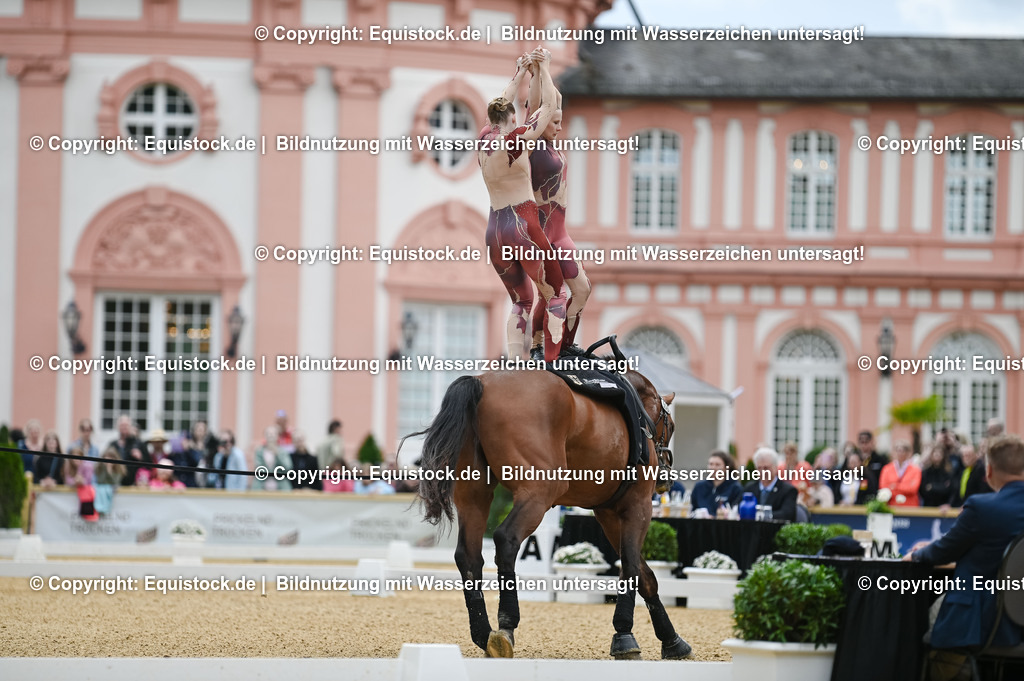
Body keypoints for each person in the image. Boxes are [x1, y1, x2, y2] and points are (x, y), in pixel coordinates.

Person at [480, 47, 567, 362]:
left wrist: (519, 73)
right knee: (556, 294)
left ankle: (516, 363)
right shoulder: (516, 139)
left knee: (521, 301)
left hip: (494, 230)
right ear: (512, 119)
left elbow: (501, 103)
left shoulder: (484, 139)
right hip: (522, 224)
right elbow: (548, 106)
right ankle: (552, 363)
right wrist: (544, 68)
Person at [906, 434, 1024, 650]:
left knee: (920, 625)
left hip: (980, 624)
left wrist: (915, 555)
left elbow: (943, 552)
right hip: (1015, 627)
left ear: (989, 472)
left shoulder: (981, 507)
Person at [524, 53, 590, 356]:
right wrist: (543, 69)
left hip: (560, 231)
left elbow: (555, 99)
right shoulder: (533, 143)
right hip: (541, 231)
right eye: (555, 122)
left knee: (582, 290)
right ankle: (539, 344)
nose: (559, 128)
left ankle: (566, 345)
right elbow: (539, 105)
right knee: (551, 294)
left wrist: (540, 70)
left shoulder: (550, 146)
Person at [742, 447, 798, 521]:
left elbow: (786, 514)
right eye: (759, 468)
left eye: (766, 468)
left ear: (776, 468)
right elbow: (736, 507)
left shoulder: (788, 490)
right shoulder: (749, 488)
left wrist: (759, 515)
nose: (762, 471)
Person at [690, 450, 743, 515]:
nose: (713, 468)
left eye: (717, 465)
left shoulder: (735, 488)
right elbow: (691, 511)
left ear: (726, 468)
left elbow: (736, 513)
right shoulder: (699, 487)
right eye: (711, 464)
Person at [878, 440, 921, 506]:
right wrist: (903, 487)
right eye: (898, 450)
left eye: (903, 451)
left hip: (910, 506)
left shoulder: (915, 470)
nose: (900, 453)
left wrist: (894, 486)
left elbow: (912, 489)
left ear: (908, 453)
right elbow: (883, 487)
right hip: (892, 505)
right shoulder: (886, 469)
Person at [107, 414, 145, 486]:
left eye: (126, 425)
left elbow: (149, 464)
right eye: (122, 425)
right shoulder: (112, 445)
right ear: (118, 427)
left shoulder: (138, 444)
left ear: (130, 427)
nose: (124, 427)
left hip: (134, 485)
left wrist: (141, 458)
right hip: (115, 484)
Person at [951, 443, 992, 508]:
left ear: (976, 455)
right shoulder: (963, 471)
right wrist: (950, 504)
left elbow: (982, 492)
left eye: (968, 455)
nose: (966, 458)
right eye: (964, 456)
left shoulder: (981, 470)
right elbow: (957, 492)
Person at [253, 425, 291, 491]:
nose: (271, 436)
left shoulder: (283, 451)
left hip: (281, 487)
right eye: (268, 433)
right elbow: (258, 469)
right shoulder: (259, 451)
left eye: (273, 433)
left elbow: (288, 468)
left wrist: (277, 455)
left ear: (278, 436)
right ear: (265, 436)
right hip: (261, 486)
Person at [919, 443, 956, 507]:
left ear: (944, 455)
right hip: (928, 506)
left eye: (940, 453)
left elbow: (950, 490)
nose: (937, 455)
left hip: (944, 507)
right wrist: (942, 487)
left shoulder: (949, 472)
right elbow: (923, 491)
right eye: (935, 452)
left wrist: (932, 487)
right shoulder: (926, 472)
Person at [856, 430, 890, 499]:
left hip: (875, 493)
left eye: (866, 442)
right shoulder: (855, 459)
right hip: (858, 494)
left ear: (872, 442)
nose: (864, 445)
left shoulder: (880, 459)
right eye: (862, 442)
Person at [93, 447, 126, 516]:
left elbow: (115, 482)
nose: (108, 459)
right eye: (106, 456)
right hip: (101, 489)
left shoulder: (119, 468)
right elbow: (100, 481)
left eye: (111, 457)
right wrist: (105, 469)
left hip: (113, 492)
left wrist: (110, 471)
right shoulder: (99, 467)